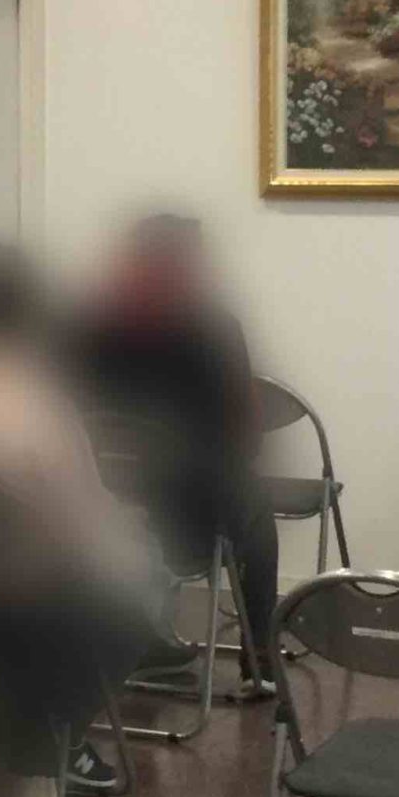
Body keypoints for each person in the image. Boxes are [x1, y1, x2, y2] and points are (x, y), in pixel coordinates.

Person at [0, 245, 164, 797]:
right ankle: (42, 737)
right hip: (33, 611)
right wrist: (132, 534)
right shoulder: (40, 408)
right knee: (143, 589)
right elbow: (83, 530)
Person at [67, 215, 281, 721]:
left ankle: (140, 639)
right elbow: (246, 437)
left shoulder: (86, 326)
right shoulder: (215, 329)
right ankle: (259, 661)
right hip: (191, 522)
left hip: (98, 512)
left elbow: (64, 412)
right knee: (256, 514)